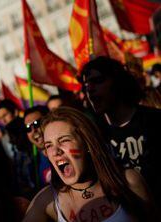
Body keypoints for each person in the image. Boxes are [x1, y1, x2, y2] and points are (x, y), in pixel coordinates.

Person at [24, 107, 157, 222]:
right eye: (49, 145)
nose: (55, 151)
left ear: (87, 143)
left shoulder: (129, 181)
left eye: (64, 140)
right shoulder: (47, 200)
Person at [79, 56, 161, 208]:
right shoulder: (93, 135)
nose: (90, 89)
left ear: (117, 82)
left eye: (98, 81)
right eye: (86, 85)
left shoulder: (154, 121)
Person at [0, 99, 35, 197]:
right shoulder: (5, 137)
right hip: (24, 186)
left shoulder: (28, 128)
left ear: (15, 112)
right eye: (0, 118)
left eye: (5, 115)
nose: (3, 120)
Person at [22, 106, 51, 186]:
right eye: (28, 128)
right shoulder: (32, 164)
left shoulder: (65, 150)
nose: (33, 130)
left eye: (37, 123)